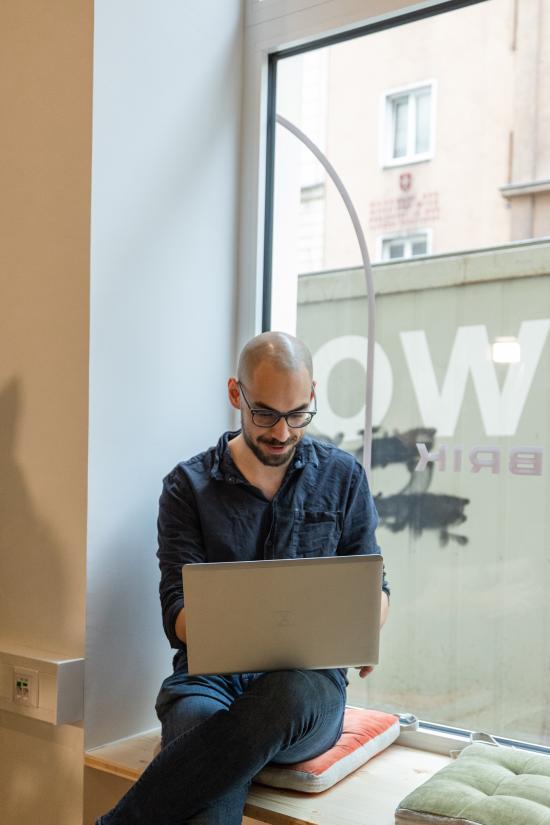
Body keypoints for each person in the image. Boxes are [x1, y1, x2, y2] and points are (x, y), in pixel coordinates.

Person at [96, 331, 389, 825]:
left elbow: (375, 586)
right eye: (266, 414)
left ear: (313, 395)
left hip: (304, 694)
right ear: (236, 394)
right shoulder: (187, 487)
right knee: (203, 745)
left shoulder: (343, 476)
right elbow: (177, 613)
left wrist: (363, 627)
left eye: (298, 414)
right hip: (207, 685)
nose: (282, 431)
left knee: (284, 695)